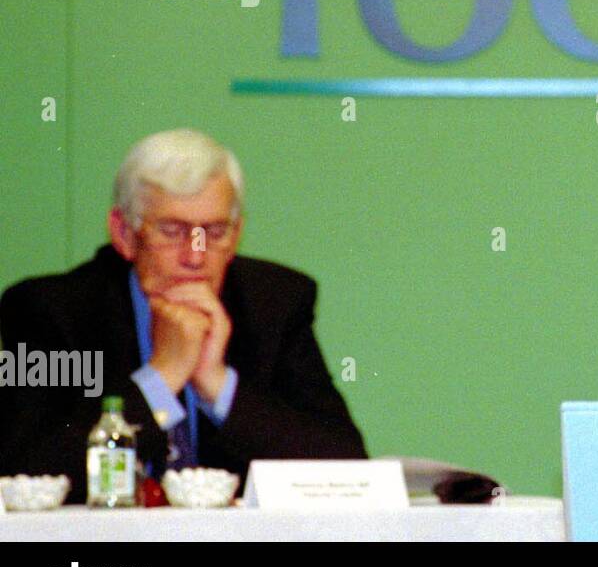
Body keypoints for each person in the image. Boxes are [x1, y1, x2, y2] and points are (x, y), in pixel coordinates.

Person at [0, 129, 366, 501]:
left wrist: (217, 383)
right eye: (173, 231)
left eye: (215, 231)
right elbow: (23, 474)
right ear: (125, 233)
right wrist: (162, 378)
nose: (195, 256)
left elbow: (348, 474)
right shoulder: (49, 310)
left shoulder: (275, 304)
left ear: (237, 233)